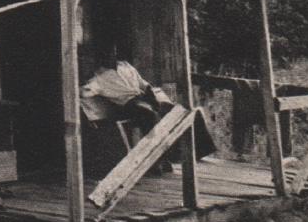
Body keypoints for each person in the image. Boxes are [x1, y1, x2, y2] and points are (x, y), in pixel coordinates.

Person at [79, 42, 216, 173]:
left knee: (179, 111)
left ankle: (197, 151)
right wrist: (80, 86)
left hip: (144, 98)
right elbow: (84, 92)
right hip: (129, 105)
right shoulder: (99, 77)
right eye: (107, 53)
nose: (111, 56)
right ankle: (158, 159)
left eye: (113, 52)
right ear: (101, 57)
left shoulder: (125, 66)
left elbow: (143, 84)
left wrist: (151, 94)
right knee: (150, 115)